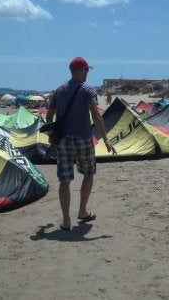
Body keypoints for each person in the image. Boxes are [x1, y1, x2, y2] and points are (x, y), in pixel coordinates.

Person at [46, 57, 117, 231]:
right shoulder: (87, 89)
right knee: (88, 174)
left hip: (63, 141)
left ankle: (66, 220)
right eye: (87, 70)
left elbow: (49, 116)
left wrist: (51, 134)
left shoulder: (59, 90)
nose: (87, 73)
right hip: (84, 139)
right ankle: (82, 211)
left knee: (64, 180)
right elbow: (96, 115)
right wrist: (105, 138)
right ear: (82, 70)